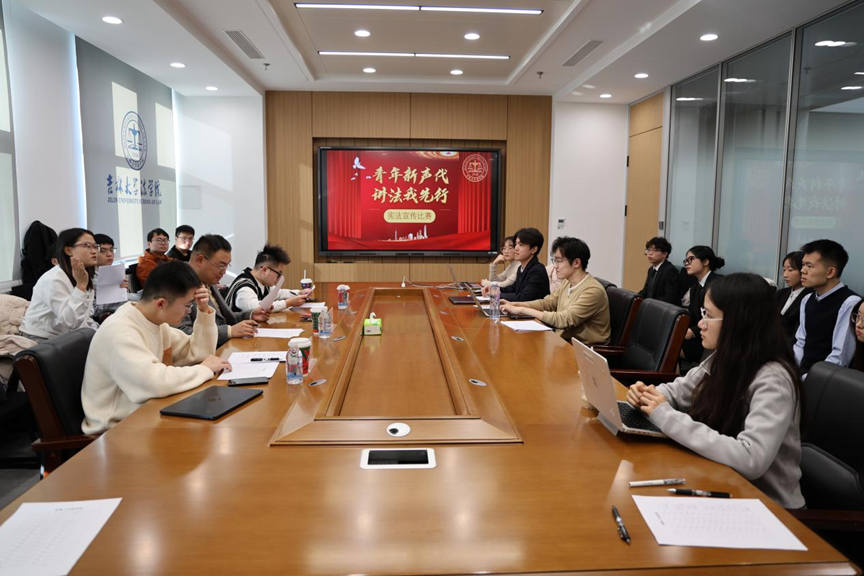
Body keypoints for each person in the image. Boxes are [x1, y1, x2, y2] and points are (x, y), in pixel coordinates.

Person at [627, 273, 804, 509]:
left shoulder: (774, 378)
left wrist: (664, 415)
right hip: (724, 483)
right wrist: (646, 395)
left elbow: (751, 458)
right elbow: (677, 391)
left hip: (769, 508)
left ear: (738, 321)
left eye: (709, 316)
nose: (701, 324)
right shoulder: (726, 357)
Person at [81, 261, 231, 434]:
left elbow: (197, 354)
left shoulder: (156, 323)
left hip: (146, 413)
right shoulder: (121, 331)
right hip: (116, 430)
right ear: (161, 304)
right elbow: (154, 384)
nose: (189, 311)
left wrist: (204, 311)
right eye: (188, 305)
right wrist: (204, 370)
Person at [501, 237, 610, 346]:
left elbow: (564, 320)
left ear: (576, 263)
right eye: (555, 260)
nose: (555, 266)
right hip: (563, 343)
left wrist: (521, 309)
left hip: (584, 350)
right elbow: (547, 303)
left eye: (559, 261)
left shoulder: (592, 290)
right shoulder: (567, 282)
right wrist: (515, 304)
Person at [177, 234, 270, 348]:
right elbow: (182, 333)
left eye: (227, 265)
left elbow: (222, 319)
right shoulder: (177, 283)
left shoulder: (208, 281)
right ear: (200, 260)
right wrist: (229, 331)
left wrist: (250, 314)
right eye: (221, 266)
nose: (224, 272)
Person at [19, 228, 100, 342]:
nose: (94, 251)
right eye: (87, 246)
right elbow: (71, 322)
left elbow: (84, 316)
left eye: (95, 246)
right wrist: (81, 286)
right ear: (68, 250)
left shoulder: (83, 274)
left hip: (68, 334)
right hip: (42, 337)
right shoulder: (53, 279)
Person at [793, 239, 860, 375]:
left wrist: (808, 378)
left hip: (825, 379)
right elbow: (801, 342)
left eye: (809, 266)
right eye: (803, 265)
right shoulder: (807, 299)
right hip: (801, 375)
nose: (802, 271)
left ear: (830, 272)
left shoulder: (850, 302)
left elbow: (840, 356)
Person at [226, 244, 310, 313]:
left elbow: (278, 293)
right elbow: (259, 308)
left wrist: (299, 293)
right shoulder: (245, 288)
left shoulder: (261, 283)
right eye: (278, 274)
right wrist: (287, 303)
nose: (278, 278)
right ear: (265, 270)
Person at [680, 245, 725, 364]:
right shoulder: (695, 288)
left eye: (691, 259)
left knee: (672, 348)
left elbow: (721, 318)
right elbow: (692, 315)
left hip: (716, 340)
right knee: (669, 342)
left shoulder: (718, 285)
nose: (687, 263)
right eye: (686, 260)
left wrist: (692, 332)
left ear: (705, 262)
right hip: (701, 334)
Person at [497, 228, 550, 303]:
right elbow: (513, 289)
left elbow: (524, 297)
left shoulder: (537, 270)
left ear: (533, 249)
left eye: (521, 245)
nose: (516, 248)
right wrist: (494, 289)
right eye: (516, 244)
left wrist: (497, 295)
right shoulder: (521, 268)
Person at [775, 251, 811, 345]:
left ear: (802, 270)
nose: (785, 275)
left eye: (790, 270)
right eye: (784, 270)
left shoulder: (810, 297)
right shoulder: (780, 294)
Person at [92, 233, 129, 322]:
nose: (109, 254)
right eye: (103, 251)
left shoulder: (115, 272)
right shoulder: (89, 278)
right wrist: (116, 293)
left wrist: (123, 291)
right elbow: (95, 311)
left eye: (111, 250)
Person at [638, 236, 679, 305]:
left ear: (664, 254)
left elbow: (671, 298)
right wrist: (635, 298)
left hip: (662, 308)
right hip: (651, 305)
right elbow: (646, 291)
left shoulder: (670, 271)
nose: (650, 253)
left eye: (655, 250)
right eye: (648, 249)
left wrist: (649, 301)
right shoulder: (651, 269)